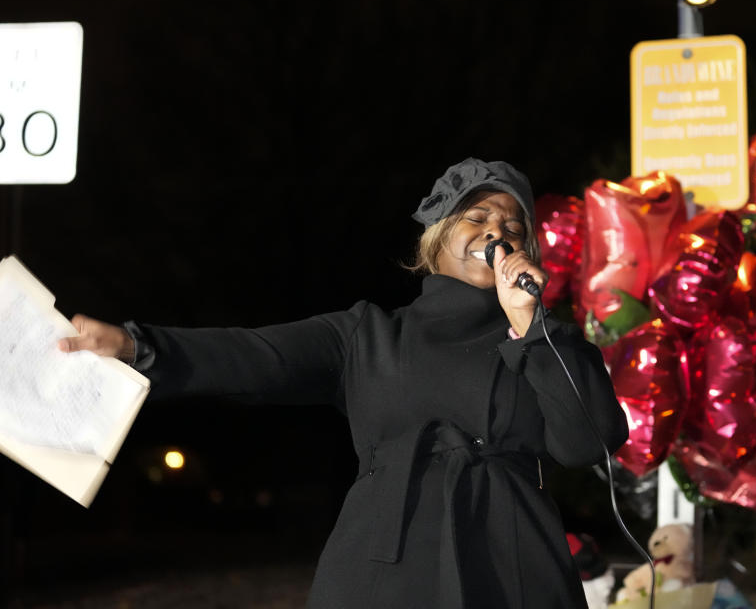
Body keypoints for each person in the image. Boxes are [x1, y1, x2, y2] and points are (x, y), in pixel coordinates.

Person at [57, 157, 628, 609]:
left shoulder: (547, 337)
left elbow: (587, 440)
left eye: (511, 224)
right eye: (475, 218)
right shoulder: (369, 335)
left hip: (512, 566)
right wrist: (138, 344)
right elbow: (251, 354)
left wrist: (531, 328)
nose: (495, 231)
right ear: (437, 240)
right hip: (389, 564)